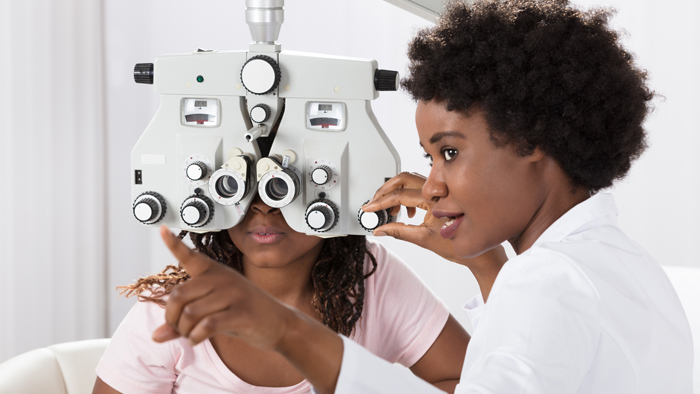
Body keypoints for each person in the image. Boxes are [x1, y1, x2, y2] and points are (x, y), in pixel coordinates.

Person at [144, 0, 694, 393]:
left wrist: (288, 331)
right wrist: (486, 268)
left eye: (449, 153)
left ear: (530, 140)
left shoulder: (549, 279)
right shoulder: (619, 263)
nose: (430, 186)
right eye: (430, 158)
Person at [92, 193, 490, 394]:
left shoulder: (373, 276)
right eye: (244, 186)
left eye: (287, 187)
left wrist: (484, 261)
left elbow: (465, 382)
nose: (264, 207)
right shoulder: (176, 304)